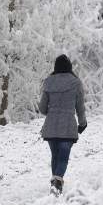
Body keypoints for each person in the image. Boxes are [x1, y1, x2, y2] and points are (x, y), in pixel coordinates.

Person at [39, 54, 87, 195]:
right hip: (68, 126)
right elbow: (80, 107)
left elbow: (42, 109)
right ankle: (57, 183)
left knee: (55, 155)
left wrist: (53, 110)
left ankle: (55, 184)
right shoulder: (76, 83)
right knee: (63, 156)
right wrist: (82, 123)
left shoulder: (48, 82)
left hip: (51, 126)